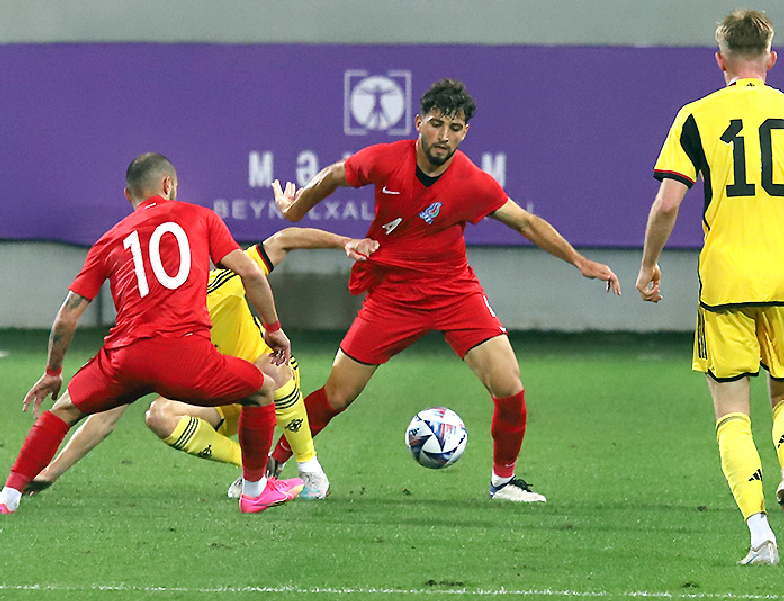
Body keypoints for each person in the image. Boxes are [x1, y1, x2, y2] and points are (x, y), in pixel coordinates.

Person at [272, 78, 621, 502]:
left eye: (454, 128)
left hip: (454, 292)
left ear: (465, 132)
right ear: (419, 122)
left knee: (509, 385)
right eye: (436, 124)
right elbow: (333, 175)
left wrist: (579, 261)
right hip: (394, 294)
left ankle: (503, 483)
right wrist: (296, 209)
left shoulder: (472, 182)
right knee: (338, 394)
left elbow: (527, 222)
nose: (444, 135)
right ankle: (274, 461)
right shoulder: (386, 160)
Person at [635, 10, 784, 564]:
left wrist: (649, 264)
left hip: (726, 281)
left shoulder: (696, 116)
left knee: (732, 412)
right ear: (771, 58)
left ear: (720, 60)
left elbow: (668, 204)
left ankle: (760, 535)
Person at [0, 152, 304, 515]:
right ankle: (254, 491)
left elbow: (67, 317)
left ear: (128, 195)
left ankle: (8, 496)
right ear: (168, 184)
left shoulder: (109, 239)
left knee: (63, 410)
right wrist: (274, 330)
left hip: (125, 358)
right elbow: (251, 273)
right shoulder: (201, 218)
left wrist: (52, 372)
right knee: (261, 390)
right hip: (186, 357)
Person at [23, 227, 378, 501]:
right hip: (218, 401)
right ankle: (257, 468)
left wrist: (344, 242)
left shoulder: (224, 282)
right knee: (159, 415)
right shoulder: (153, 326)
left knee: (272, 368)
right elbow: (105, 415)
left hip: (265, 389)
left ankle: (310, 470)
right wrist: (50, 472)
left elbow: (283, 240)